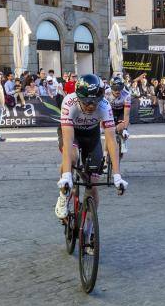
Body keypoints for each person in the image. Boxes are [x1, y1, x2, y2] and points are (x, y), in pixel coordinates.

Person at [54, 74, 127, 219]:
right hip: (72, 132)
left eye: (95, 102)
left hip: (91, 135)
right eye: (87, 102)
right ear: (79, 97)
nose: (91, 106)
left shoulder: (105, 106)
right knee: (72, 157)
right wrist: (67, 175)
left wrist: (117, 175)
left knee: (92, 184)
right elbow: (68, 142)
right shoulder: (69, 102)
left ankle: (88, 228)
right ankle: (63, 196)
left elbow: (111, 141)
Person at [105, 76, 131, 153]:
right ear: (111, 88)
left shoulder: (126, 94)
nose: (117, 92)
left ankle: (123, 141)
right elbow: (103, 111)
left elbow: (126, 114)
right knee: (109, 132)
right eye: (115, 89)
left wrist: (125, 129)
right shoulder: (106, 93)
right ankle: (105, 154)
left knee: (121, 127)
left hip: (122, 111)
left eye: (119, 89)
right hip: (111, 110)